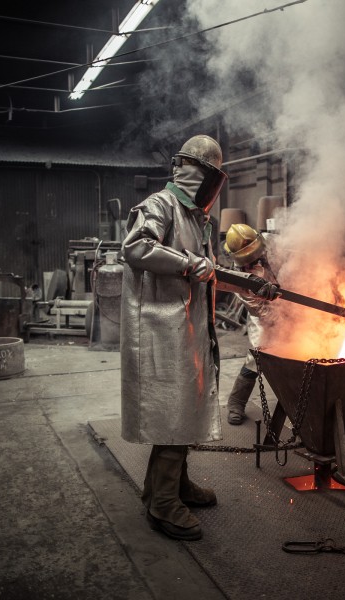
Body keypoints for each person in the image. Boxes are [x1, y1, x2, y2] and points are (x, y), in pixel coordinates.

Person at [119, 134, 228, 541]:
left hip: (186, 327)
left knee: (183, 409)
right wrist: (188, 262)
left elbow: (204, 270)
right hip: (160, 330)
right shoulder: (161, 205)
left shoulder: (196, 219)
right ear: (196, 172)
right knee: (173, 410)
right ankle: (163, 504)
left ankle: (170, 487)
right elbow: (135, 247)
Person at [221, 223, 279, 425]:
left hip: (289, 294)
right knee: (257, 354)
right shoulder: (239, 278)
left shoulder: (274, 243)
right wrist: (282, 322)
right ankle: (236, 402)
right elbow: (259, 310)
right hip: (265, 312)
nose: (254, 260)